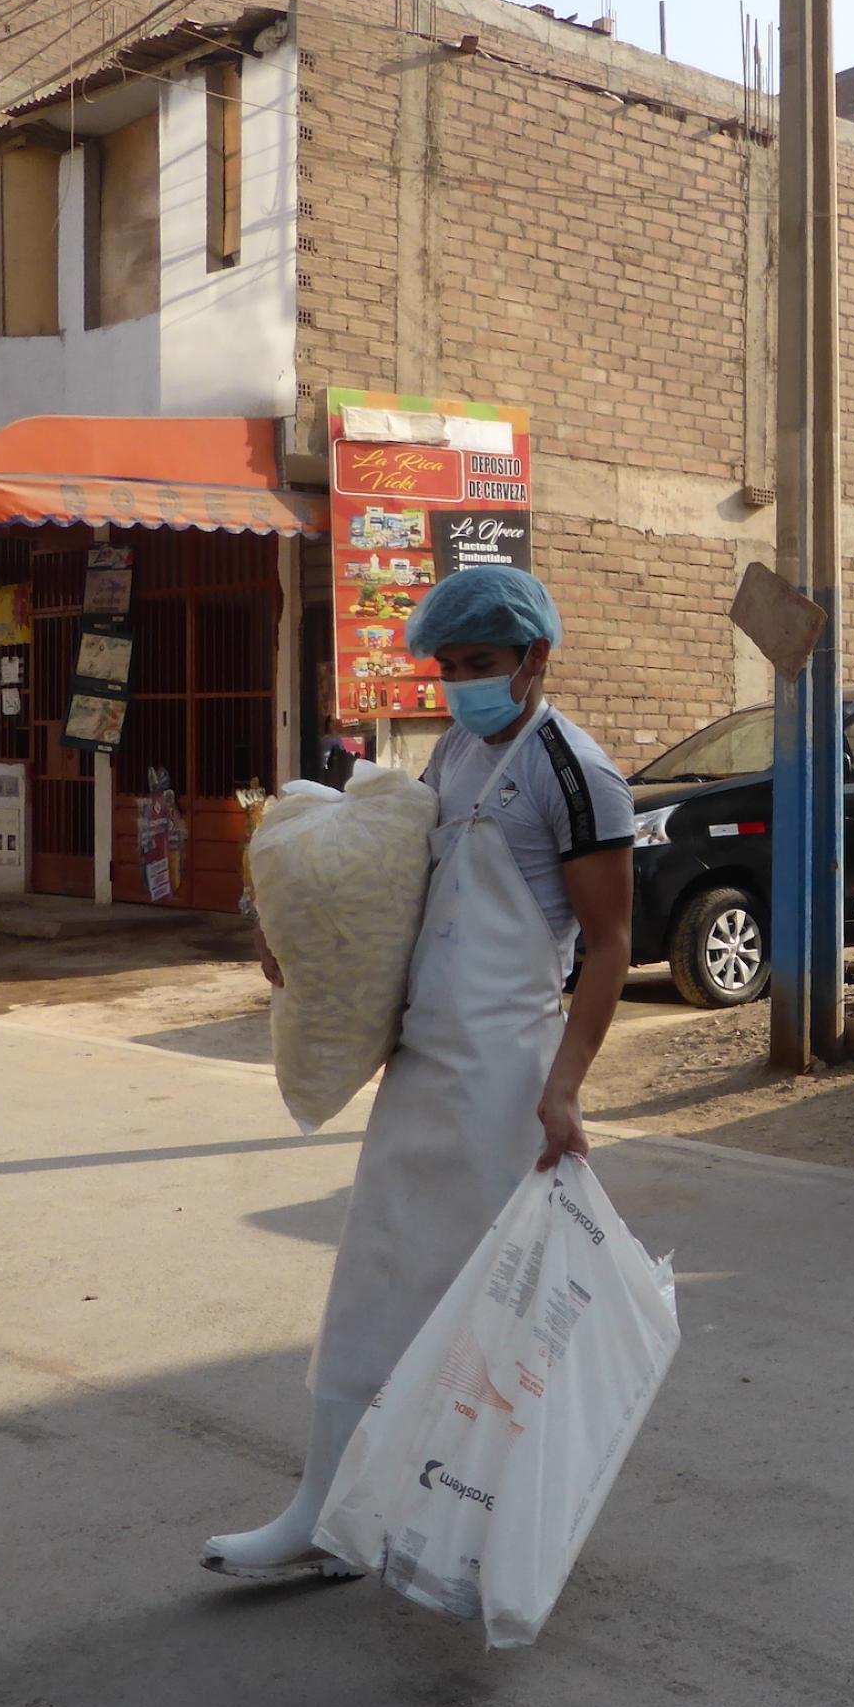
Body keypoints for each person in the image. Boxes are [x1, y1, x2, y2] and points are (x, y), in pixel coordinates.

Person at [203, 563, 636, 1582]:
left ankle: (506, 1527)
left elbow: (610, 944)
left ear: (536, 655)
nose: (460, 685)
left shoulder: (578, 774)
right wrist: (302, 945)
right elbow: (408, 890)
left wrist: (564, 1088)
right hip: (424, 1061)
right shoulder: (451, 749)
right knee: (372, 1286)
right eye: (447, 667)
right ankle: (323, 1513)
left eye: (480, 664)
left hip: (506, 1081)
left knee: (494, 1318)